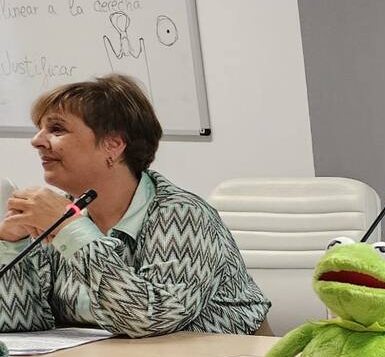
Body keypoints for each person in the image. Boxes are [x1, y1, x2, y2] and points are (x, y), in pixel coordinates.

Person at [0, 74, 269, 336]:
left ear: (113, 145)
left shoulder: (183, 214)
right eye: (39, 129)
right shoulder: (61, 214)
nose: (36, 141)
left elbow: (150, 320)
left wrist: (73, 232)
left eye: (57, 129)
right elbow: (19, 322)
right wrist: (10, 245)